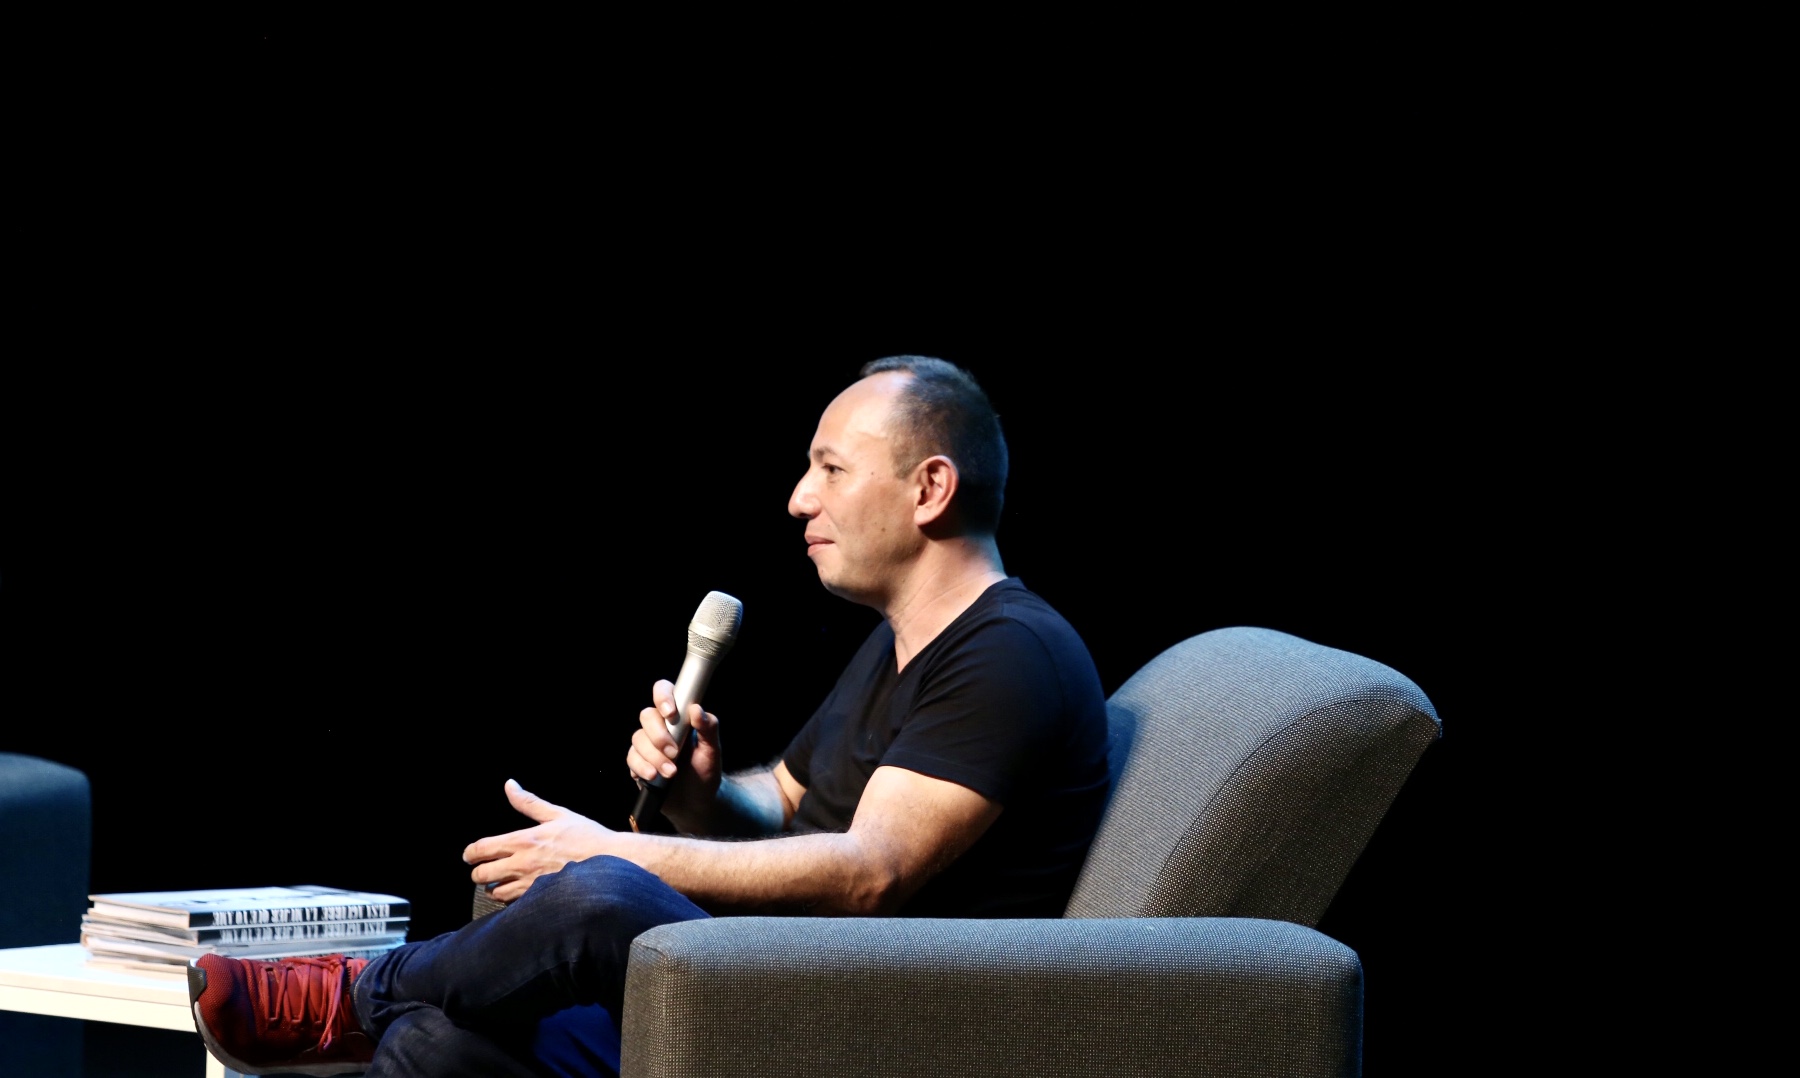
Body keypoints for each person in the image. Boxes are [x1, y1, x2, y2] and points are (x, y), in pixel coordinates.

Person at [188, 356, 1113, 1077]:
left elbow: (873, 871)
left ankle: (351, 995)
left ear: (930, 489)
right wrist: (706, 797)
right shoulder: (898, 642)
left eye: (831, 469)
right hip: (771, 978)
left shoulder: (1009, 654)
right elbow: (790, 805)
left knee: (600, 894)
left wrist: (616, 854)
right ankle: (385, 1012)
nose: (800, 498)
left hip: (872, 1012)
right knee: (437, 1046)